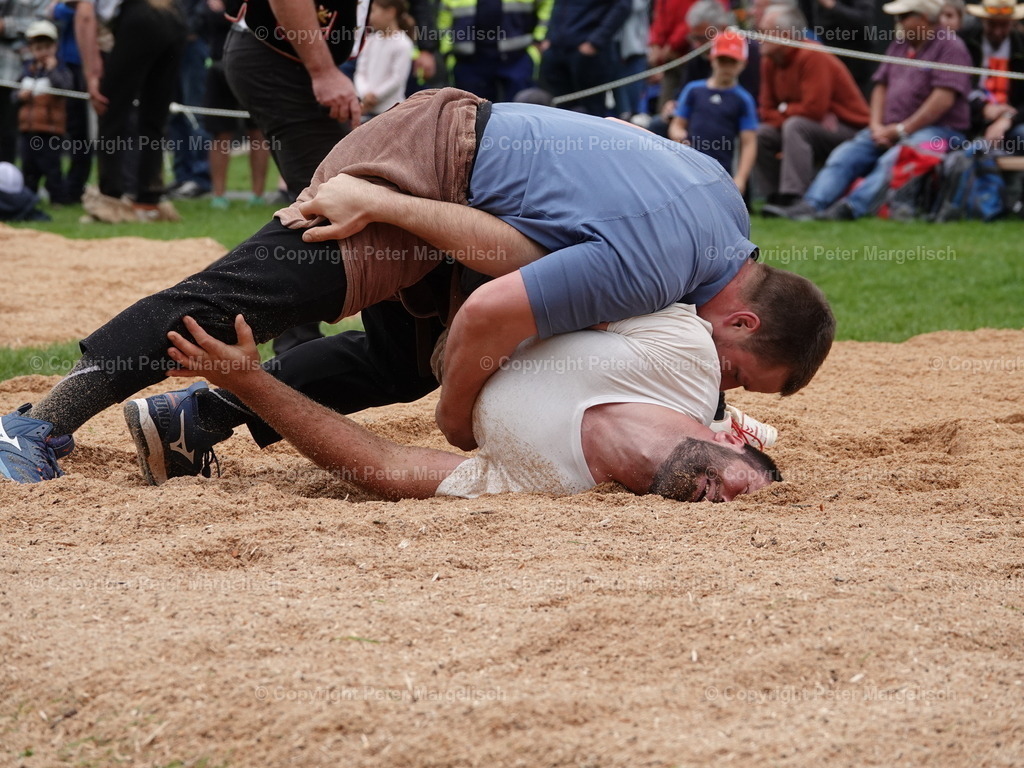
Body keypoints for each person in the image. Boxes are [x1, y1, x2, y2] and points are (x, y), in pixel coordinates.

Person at [0, 88, 834, 484]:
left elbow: (613, 138)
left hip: (472, 172)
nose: (713, 379)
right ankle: (34, 427)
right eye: (733, 371)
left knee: (406, 359)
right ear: (747, 317)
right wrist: (458, 418)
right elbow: (495, 300)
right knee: (248, 292)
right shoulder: (654, 269)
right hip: (434, 165)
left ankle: (193, 418)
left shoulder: (723, 205)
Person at [152, 308, 781, 501]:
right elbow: (601, 256)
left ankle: (212, 404)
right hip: (483, 240)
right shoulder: (688, 362)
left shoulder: (549, 489)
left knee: (390, 364)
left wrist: (248, 384)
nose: (718, 508)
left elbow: (383, 464)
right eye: (741, 491)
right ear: (733, 438)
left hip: (427, 326)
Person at [220, 0, 370, 355]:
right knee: (326, 200)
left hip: (286, 60)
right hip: (281, 61)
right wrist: (323, 71)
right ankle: (289, 339)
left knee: (326, 199)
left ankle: (214, 308)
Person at [764, 0, 973, 221]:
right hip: (889, 130)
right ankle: (811, 205)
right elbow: (880, 87)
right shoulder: (901, 44)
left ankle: (851, 208)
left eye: (904, 17)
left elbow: (943, 99)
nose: (897, 22)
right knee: (844, 155)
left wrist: (902, 129)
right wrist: (876, 126)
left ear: (923, 18)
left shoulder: (951, 47)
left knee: (893, 158)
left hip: (941, 134)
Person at [72, 0, 187, 221]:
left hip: (139, 17)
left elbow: (85, 17)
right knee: (154, 118)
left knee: (109, 111)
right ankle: (148, 201)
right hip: (175, 17)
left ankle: (110, 202)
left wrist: (92, 73)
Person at [755, 4, 870, 207]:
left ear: (786, 35)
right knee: (762, 133)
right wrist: (786, 112)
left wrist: (783, 110)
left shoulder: (812, 55)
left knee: (796, 126)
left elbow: (812, 110)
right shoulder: (769, 60)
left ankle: (793, 196)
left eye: (765, 31)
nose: (759, 37)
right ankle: (772, 197)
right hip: (811, 125)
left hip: (849, 129)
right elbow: (765, 110)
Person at [668, 28, 758, 197]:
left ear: (743, 64)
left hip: (723, 171)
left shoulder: (743, 99)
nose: (727, 67)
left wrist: (741, 178)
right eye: (722, 60)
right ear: (712, 59)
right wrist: (680, 137)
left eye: (732, 61)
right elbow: (677, 125)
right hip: (690, 166)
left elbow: (749, 143)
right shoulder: (693, 90)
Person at [199, 0, 270, 210]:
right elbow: (205, 20)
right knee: (220, 133)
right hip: (218, 66)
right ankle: (218, 195)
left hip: (253, 68)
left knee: (257, 131)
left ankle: (258, 195)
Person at [436, 0, 551, 104]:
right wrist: (447, 52)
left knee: (521, 111)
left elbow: (547, 6)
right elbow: (444, 22)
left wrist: (540, 38)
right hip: (469, 63)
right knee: (472, 116)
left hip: (517, 59)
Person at [16, 20, 73, 205]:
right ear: (32, 49)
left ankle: (58, 199)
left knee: (51, 167)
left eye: (47, 47)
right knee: (29, 167)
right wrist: (20, 96)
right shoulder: (27, 71)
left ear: (55, 47)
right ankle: (29, 198)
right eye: (39, 48)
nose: (43, 53)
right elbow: (13, 96)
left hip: (50, 130)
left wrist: (51, 70)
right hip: (28, 129)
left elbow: (65, 87)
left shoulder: (60, 70)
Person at [540, 0, 632, 115]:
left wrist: (595, 42)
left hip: (588, 53)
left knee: (592, 110)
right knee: (559, 109)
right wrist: (549, 37)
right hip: (557, 48)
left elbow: (622, 7)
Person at [354, 0, 416, 119]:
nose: (370, 17)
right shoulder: (371, 41)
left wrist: (375, 97)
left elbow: (397, 79)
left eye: (373, 11)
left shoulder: (403, 44)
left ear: (390, 12)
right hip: (367, 110)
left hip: (391, 112)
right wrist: (365, 94)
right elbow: (360, 72)